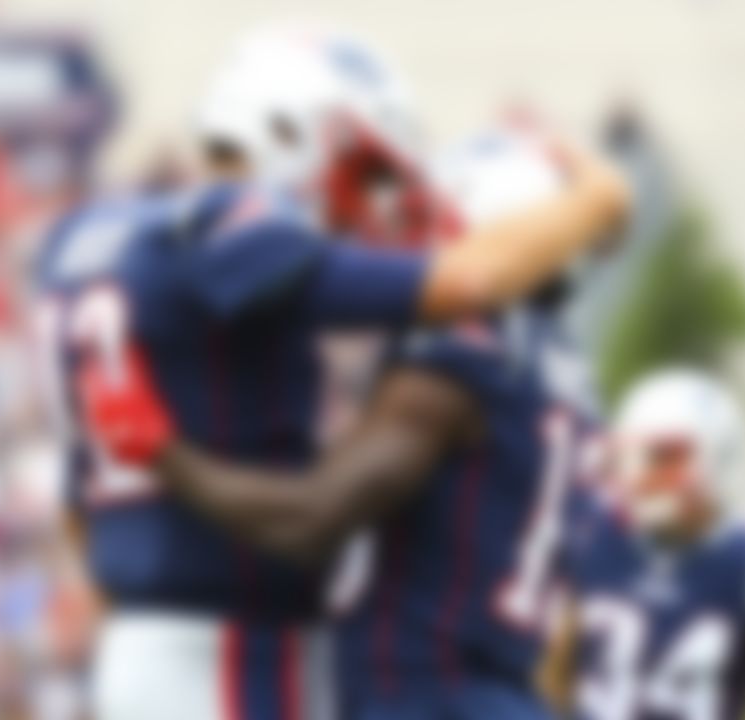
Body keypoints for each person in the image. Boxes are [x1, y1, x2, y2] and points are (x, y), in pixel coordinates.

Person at [35, 23, 630, 720]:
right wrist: (599, 201)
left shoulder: (85, 237)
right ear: (291, 134)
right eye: (364, 171)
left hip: (139, 640)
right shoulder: (239, 227)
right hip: (238, 647)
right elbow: (470, 282)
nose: (364, 205)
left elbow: (78, 504)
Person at [535, 369, 745, 720]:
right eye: (635, 456)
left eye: (663, 457)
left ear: (714, 458)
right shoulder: (592, 531)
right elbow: (553, 681)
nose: (641, 474)